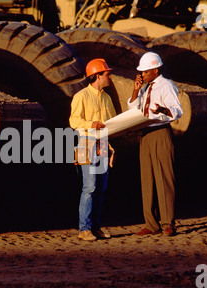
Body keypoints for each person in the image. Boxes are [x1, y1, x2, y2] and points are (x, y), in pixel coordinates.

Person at [128, 52, 183, 236]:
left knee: (164, 178)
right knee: (147, 180)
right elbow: (134, 109)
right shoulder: (145, 87)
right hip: (145, 134)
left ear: (155, 69)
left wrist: (162, 109)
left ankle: (168, 223)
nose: (141, 74)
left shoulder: (166, 86)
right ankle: (151, 224)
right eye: (141, 72)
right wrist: (136, 89)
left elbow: (177, 111)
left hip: (160, 132)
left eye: (144, 71)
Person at [70, 58, 116, 241]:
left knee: (101, 188)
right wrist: (91, 124)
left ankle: (95, 227)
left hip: (103, 143)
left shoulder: (107, 97)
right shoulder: (81, 96)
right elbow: (73, 121)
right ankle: (84, 229)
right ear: (97, 76)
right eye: (107, 74)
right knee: (89, 187)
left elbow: (112, 121)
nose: (110, 77)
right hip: (86, 142)